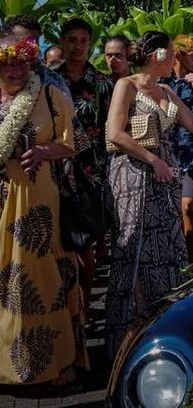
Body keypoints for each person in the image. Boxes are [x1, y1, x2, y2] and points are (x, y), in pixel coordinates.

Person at [105, 31, 193, 357]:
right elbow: (114, 133)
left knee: (166, 251)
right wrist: (153, 160)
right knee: (135, 250)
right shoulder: (126, 85)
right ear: (156, 54)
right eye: (172, 53)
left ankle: (160, 330)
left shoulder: (165, 90)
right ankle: (124, 338)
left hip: (164, 179)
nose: (176, 59)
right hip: (134, 176)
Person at [0, 36, 86, 385]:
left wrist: (43, 151)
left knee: (41, 275)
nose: (17, 70)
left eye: (23, 63)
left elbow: (75, 143)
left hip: (37, 201)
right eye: (9, 63)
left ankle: (56, 364)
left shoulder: (48, 95)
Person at [54, 18, 113, 303]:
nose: (77, 46)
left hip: (91, 172)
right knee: (59, 245)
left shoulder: (102, 83)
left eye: (83, 41)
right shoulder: (46, 80)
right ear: (62, 42)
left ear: (89, 45)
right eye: (71, 40)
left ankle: (85, 311)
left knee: (86, 247)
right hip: (52, 171)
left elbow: (111, 130)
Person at [164, 35, 193, 261]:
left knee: (189, 205)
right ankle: (183, 257)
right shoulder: (163, 83)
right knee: (176, 208)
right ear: (179, 56)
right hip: (169, 152)